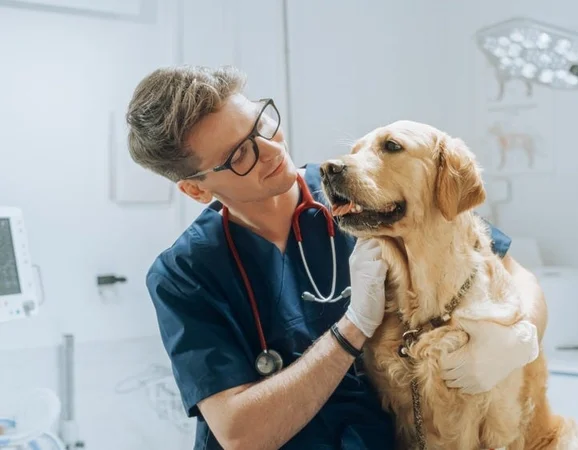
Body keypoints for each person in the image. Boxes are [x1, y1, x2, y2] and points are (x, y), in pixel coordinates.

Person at [126, 65, 548, 450]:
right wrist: (353, 328)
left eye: (262, 123)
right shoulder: (184, 274)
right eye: (239, 155)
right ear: (196, 189)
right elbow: (241, 433)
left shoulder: (364, 199)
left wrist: (519, 336)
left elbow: (512, 272)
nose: (271, 151)